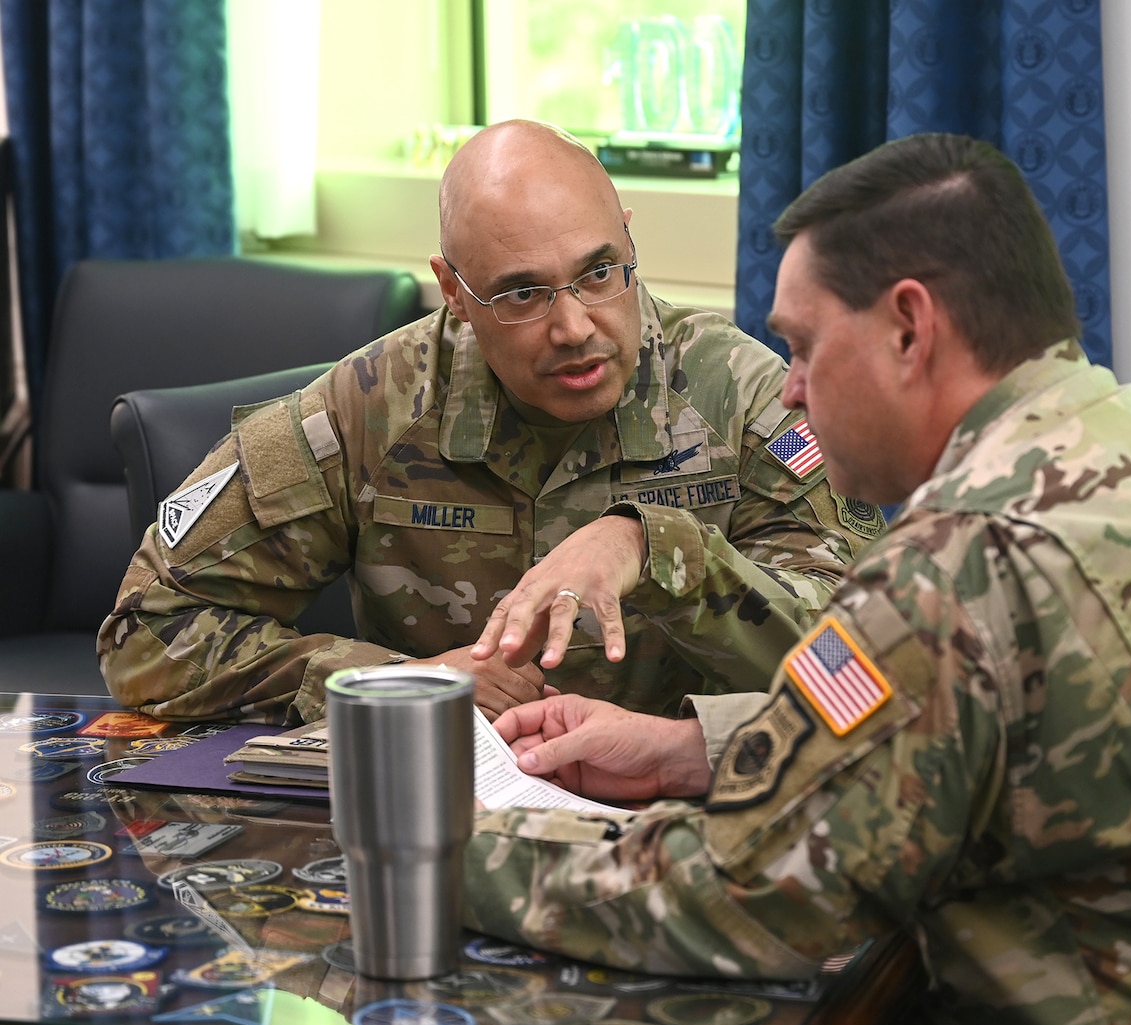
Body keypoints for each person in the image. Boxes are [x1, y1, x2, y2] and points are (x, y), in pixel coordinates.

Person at [460, 133, 1131, 1025]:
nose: (790, 394)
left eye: (802, 346)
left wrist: (437, 848)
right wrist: (693, 748)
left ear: (909, 329)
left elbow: (740, 898)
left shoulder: (960, 566)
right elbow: (1001, 722)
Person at [98, 120, 883, 724]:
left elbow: (864, 662)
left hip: (677, 817)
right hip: (449, 808)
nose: (575, 325)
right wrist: (398, 684)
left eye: (600, 272)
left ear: (629, 235)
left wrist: (659, 549)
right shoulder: (372, 405)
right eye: (521, 293)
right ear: (453, 290)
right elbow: (145, 634)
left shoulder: (744, 396)